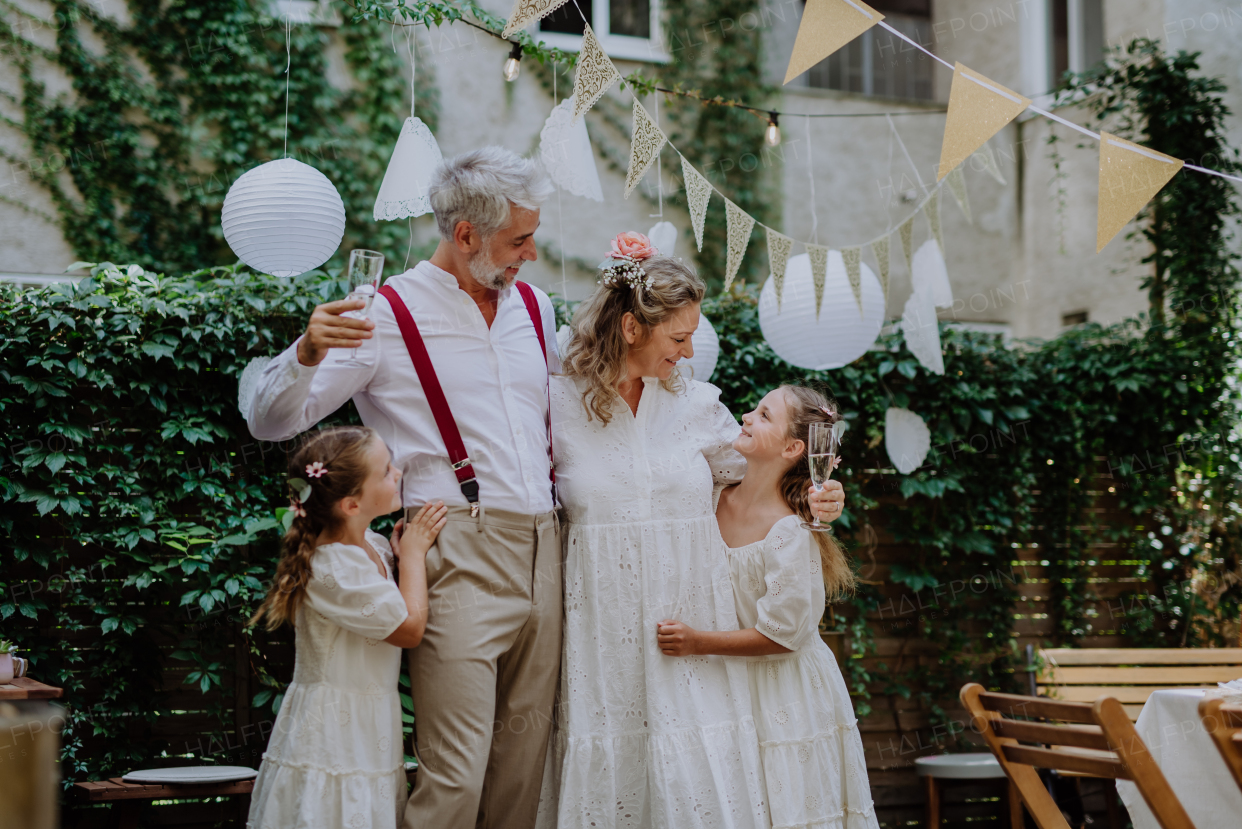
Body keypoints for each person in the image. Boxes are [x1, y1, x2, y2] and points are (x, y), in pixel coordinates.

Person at [246, 147, 563, 828]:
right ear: (466, 234)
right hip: (457, 547)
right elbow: (271, 420)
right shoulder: (385, 314)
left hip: (548, 548)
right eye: (520, 238)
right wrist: (306, 352)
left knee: (524, 769)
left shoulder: (535, 309)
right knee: (456, 772)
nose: (532, 254)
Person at [537, 234, 847, 829]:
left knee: (697, 775)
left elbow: (770, 473)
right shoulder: (556, 400)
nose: (687, 353)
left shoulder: (699, 405)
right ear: (631, 329)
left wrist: (823, 497)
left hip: (689, 621)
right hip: (600, 628)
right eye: (678, 338)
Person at [655, 386, 878, 829]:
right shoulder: (711, 494)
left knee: (788, 805)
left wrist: (697, 641)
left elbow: (784, 637)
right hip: (726, 681)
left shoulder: (788, 533)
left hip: (785, 691)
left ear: (793, 448)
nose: (745, 416)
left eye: (763, 415)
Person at [246, 426, 448, 829]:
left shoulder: (369, 546)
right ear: (352, 505)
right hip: (333, 729)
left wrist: (395, 555)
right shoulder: (332, 567)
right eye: (386, 471)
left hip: (369, 721)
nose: (398, 473)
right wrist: (412, 555)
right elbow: (408, 630)